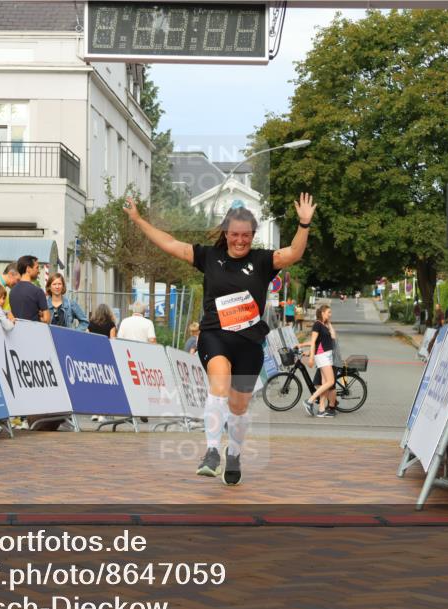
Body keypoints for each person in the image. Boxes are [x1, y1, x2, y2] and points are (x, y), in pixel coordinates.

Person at [124, 192, 315, 486]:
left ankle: (234, 453)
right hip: (215, 336)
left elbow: (293, 253)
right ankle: (212, 451)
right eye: (235, 235)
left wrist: (304, 224)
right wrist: (138, 220)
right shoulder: (209, 257)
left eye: (247, 236)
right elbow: (171, 244)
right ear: (226, 233)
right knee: (220, 382)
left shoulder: (262, 260)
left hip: (249, 343)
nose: (241, 241)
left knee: (239, 407)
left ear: (253, 235)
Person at [302, 304, 337, 418]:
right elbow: (313, 342)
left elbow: (333, 336)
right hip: (322, 355)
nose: (330, 314)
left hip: (326, 355)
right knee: (330, 382)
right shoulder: (317, 324)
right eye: (328, 312)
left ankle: (321, 409)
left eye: (331, 313)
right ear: (322, 313)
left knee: (324, 384)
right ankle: (310, 400)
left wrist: (329, 322)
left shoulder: (324, 325)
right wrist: (311, 357)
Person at [9, 254, 50, 323]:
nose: (38, 271)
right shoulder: (38, 291)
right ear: (28, 269)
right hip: (33, 331)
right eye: (37, 268)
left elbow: (12, 315)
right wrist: (40, 317)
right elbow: (47, 319)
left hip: (17, 331)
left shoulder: (12, 291)